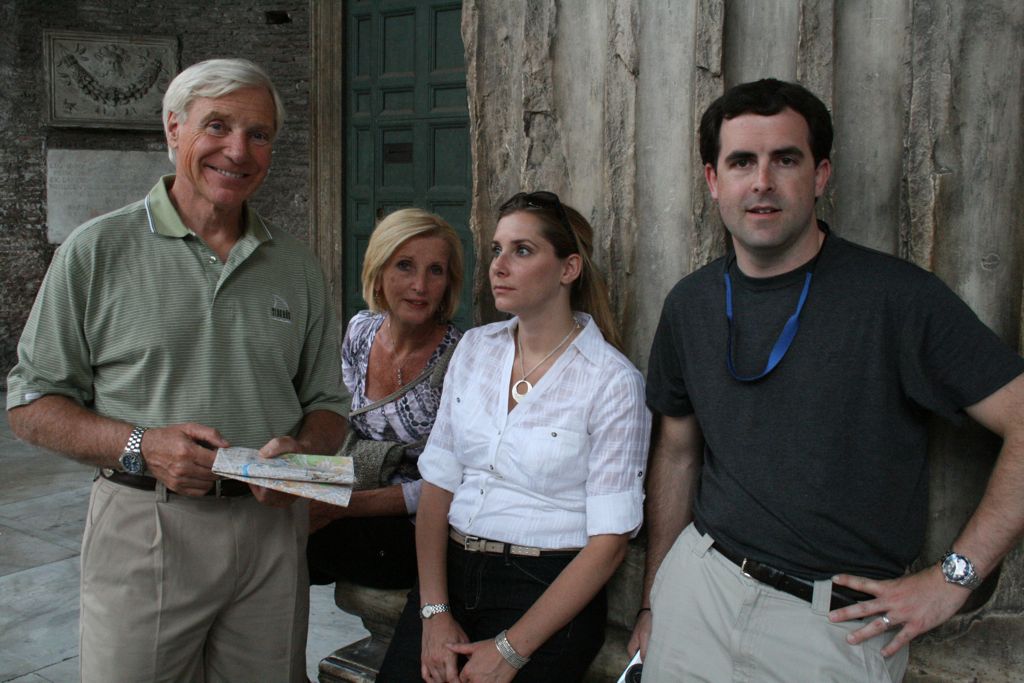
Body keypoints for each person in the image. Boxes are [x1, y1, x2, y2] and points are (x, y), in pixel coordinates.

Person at [629, 78, 1024, 681]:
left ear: (820, 175)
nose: (762, 181)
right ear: (714, 181)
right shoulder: (690, 304)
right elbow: (679, 455)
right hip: (698, 593)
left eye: (785, 159)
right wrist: (657, 597)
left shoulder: (897, 298)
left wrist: (954, 580)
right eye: (742, 162)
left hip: (833, 628)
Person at [6, 58, 348, 682]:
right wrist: (142, 445)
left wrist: (302, 451)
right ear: (173, 130)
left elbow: (329, 402)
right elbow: (30, 405)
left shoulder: (297, 267)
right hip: (145, 522)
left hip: (270, 530)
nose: (238, 150)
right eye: (216, 126)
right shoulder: (97, 250)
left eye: (259, 134)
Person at [377, 191, 651, 682]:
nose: (499, 266)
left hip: (543, 588)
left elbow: (608, 544)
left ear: (568, 269)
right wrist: (434, 612)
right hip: (452, 573)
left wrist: (510, 649)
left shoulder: (612, 381)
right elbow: (438, 485)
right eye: (498, 249)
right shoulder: (476, 349)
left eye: (522, 250)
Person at [306, 208, 464, 589]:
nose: (420, 286)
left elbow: (450, 483)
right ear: (378, 273)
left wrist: (341, 507)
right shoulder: (362, 329)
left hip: (413, 525)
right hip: (350, 492)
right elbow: (337, 420)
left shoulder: (460, 358)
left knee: (293, 548)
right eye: (405, 266)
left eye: (435, 271)